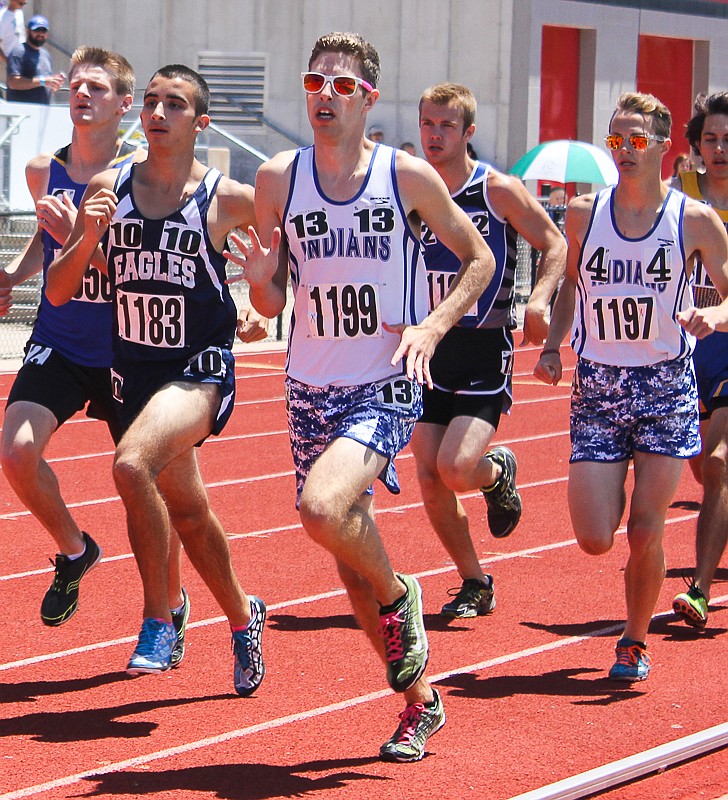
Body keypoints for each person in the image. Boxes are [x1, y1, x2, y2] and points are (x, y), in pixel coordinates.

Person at [232, 32, 494, 761]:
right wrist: (260, 283)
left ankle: (402, 593)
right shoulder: (279, 178)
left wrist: (436, 325)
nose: (325, 95)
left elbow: (479, 256)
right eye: (315, 81)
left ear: (367, 98)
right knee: (349, 570)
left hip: (385, 379)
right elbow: (275, 290)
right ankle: (421, 702)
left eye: (342, 86)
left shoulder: (406, 175)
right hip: (309, 384)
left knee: (321, 509)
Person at [46, 64, 266, 692]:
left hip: (198, 371)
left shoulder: (228, 198)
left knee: (129, 465)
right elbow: (59, 292)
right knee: (190, 513)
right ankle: (242, 615)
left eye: (174, 104)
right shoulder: (111, 184)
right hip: (133, 373)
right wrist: (88, 235)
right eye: (150, 102)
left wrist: (259, 305)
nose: (157, 113)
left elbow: (286, 272)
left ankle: (158, 616)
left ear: (200, 123)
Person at [0, 48, 195, 669]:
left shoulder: (142, 178)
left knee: (157, 488)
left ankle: (165, 609)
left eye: (97, 87)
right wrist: (12, 275)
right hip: (59, 339)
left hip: (129, 349)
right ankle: (75, 549)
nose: (82, 94)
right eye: (76, 85)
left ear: (122, 103)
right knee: (15, 451)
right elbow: (43, 236)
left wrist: (77, 240)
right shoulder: (41, 170)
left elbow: (143, 275)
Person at [533, 92, 728, 681]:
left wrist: (715, 317)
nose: (625, 150)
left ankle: (634, 641)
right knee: (595, 536)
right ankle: (613, 492)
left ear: (666, 147)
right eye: (616, 139)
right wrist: (550, 341)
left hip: (666, 385)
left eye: (637, 139)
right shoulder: (584, 213)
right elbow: (570, 282)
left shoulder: (692, 219)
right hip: (599, 387)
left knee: (646, 530)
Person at [415, 82, 566, 618]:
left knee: (456, 467)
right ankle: (475, 580)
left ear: (468, 132)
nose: (434, 135)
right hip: (428, 346)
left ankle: (496, 471)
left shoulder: (496, 189)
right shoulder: (411, 187)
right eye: (427, 124)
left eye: (446, 126)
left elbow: (554, 242)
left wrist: (540, 300)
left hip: (483, 346)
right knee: (429, 475)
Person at [670, 92, 728, 629]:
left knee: (718, 464)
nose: (720, 148)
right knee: (700, 467)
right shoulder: (681, 196)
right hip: (689, 353)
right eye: (710, 138)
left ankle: (701, 590)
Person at [6, 14, 64, 103]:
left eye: (43, 30)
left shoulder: (46, 55)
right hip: (22, 110)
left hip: (43, 110)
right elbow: (13, 83)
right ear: (27, 31)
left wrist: (54, 84)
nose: (40, 34)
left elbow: (46, 84)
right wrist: (42, 81)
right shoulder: (18, 52)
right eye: (37, 30)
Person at [0, 0, 26, 68]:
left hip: (22, 59)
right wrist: (8, 62)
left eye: (24, 4)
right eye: (20, 4)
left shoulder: (19, 13)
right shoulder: (2, 17)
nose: (22, 6)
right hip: (9, 60)